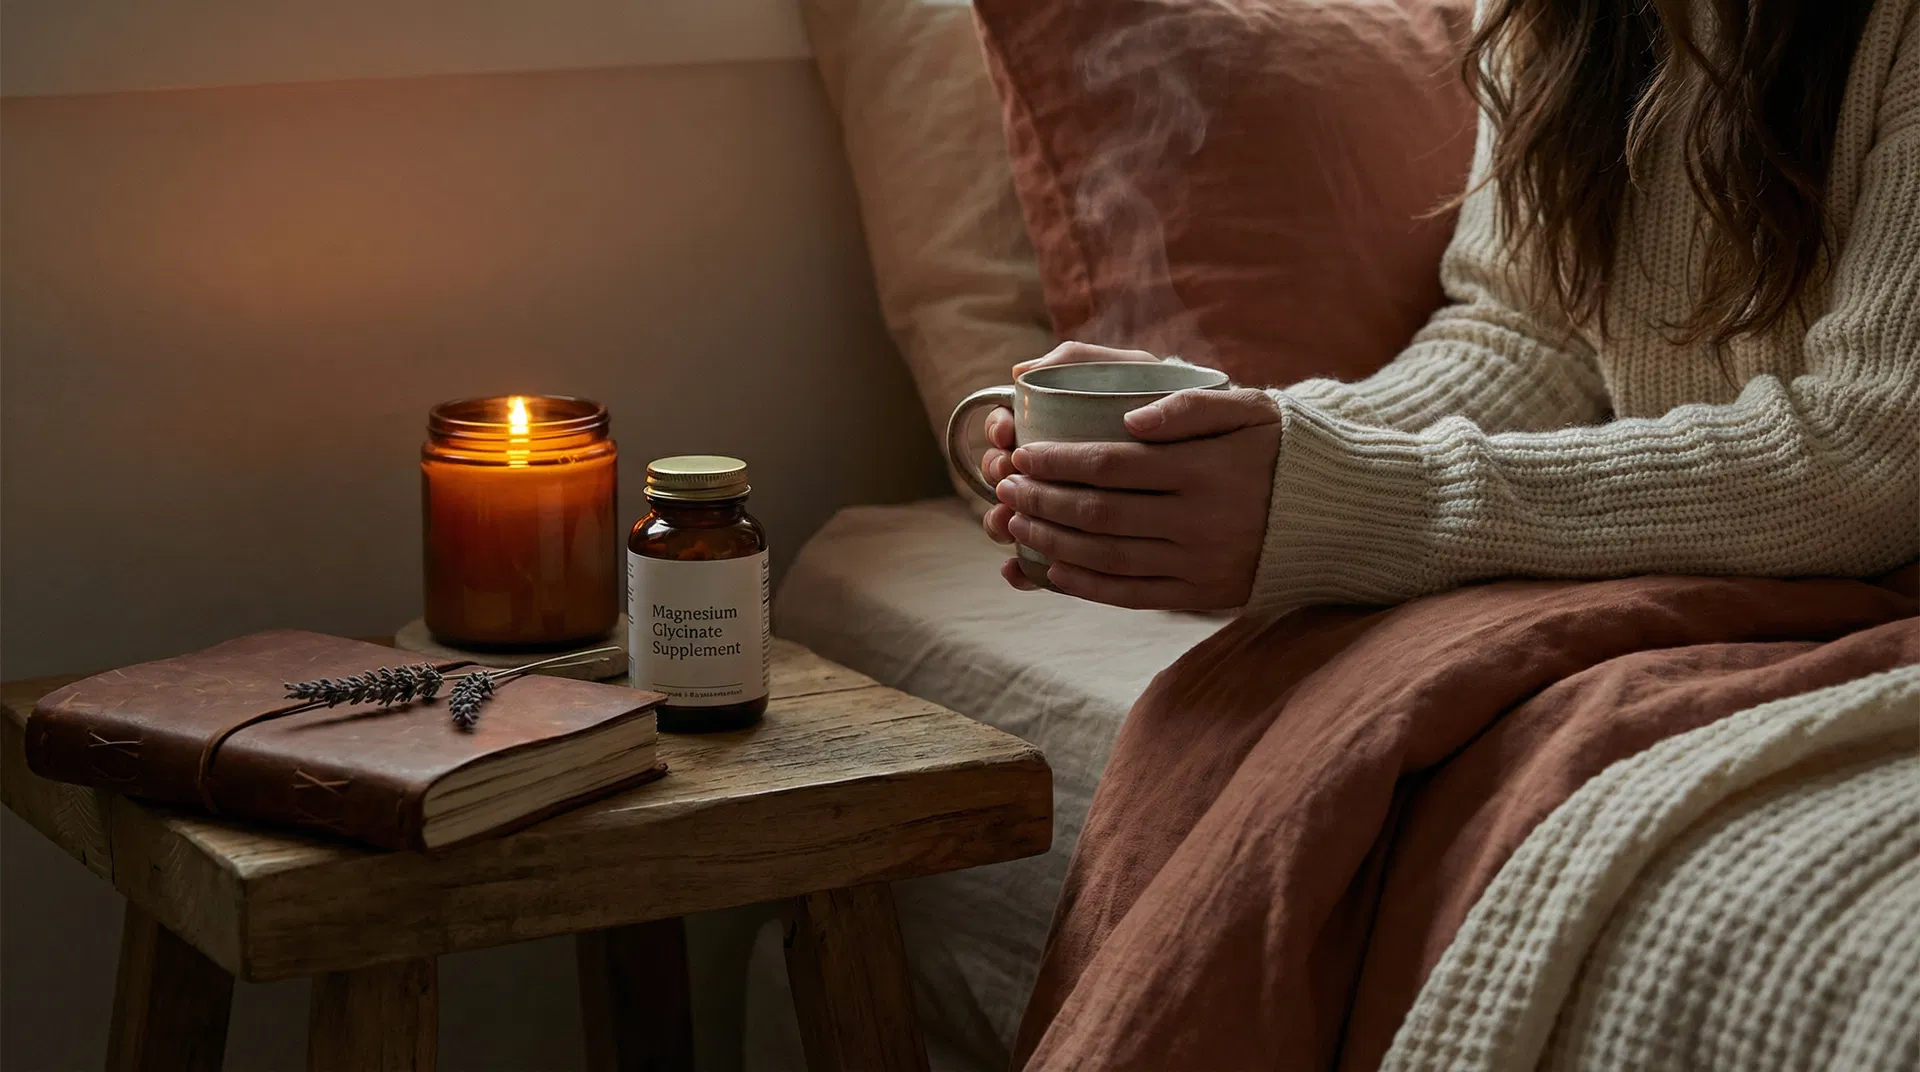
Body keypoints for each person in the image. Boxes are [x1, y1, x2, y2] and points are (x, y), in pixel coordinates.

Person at [979, 0, 1919, 617]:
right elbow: (1526, 335)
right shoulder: (1549, 15)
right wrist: (1246, 447)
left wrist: (1339, 505)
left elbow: (1875, 453)